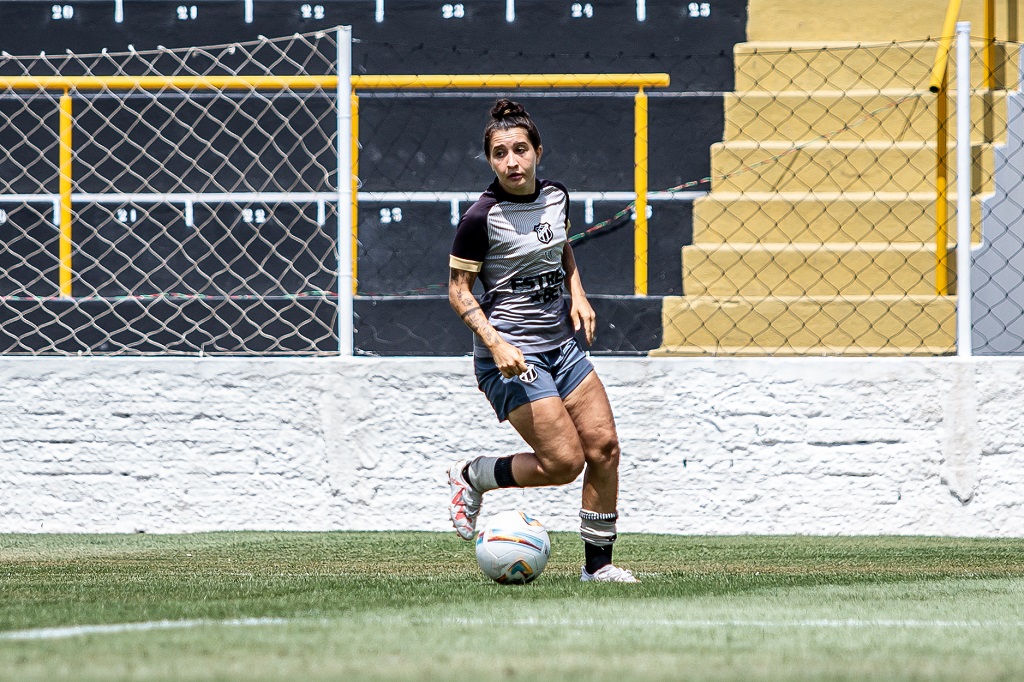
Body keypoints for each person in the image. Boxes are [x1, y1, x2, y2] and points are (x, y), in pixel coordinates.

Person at [446, 98, 638, 583]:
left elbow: (559, 245)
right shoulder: (479, 219)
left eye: (520, 150)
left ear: (538, 151)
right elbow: (457, 290)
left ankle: (598, 568)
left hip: (562, 346)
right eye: (499, 153)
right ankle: (475, 476)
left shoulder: (556, 196)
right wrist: (496, 344)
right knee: (564, 463)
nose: (511, 161)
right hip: (513, 356)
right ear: (490, 160)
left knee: (605, 448)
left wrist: (578, 293)